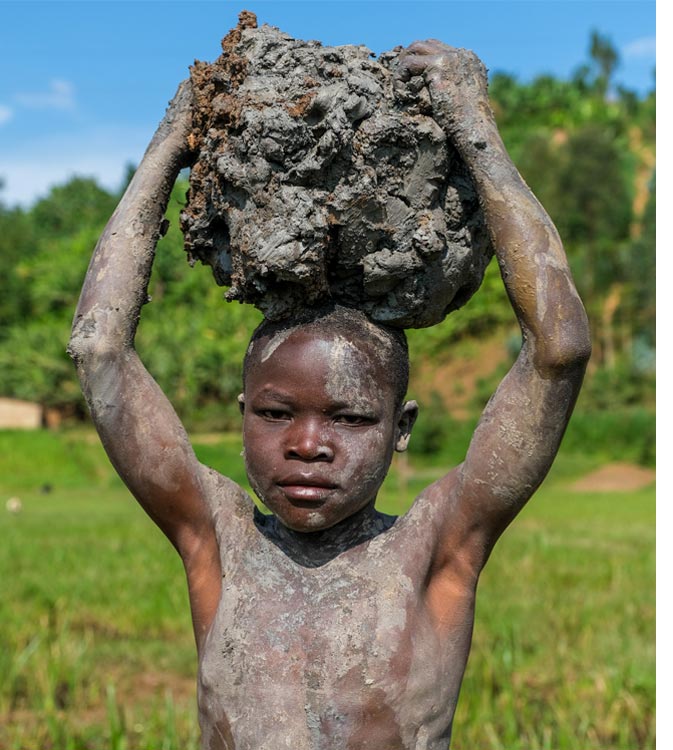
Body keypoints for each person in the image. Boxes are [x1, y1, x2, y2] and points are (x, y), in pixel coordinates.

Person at [67, 40, 589, 747]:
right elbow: (100, 348)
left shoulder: (435, 546)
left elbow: (558, 349)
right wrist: (173, 139)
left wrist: (474, 126)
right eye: (278, 413)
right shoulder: (218, 538)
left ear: (399, 428)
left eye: (348, 417)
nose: (308, 445)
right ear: (243, 413)